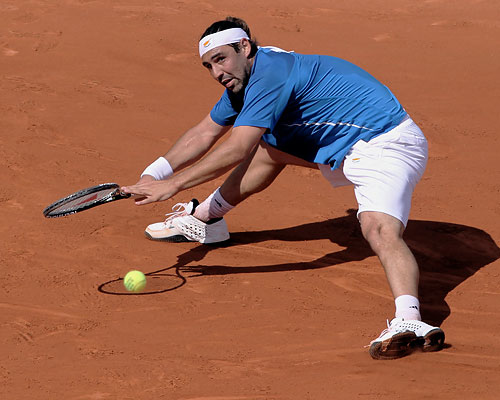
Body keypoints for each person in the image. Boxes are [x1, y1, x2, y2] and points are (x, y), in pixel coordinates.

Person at [122, 16, 445, 360]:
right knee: (271, 148)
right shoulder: (244, 80)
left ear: (244, 47)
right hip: (345, 144)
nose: (216, 73)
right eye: (208, 66)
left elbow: (237, 148)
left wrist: (173, 185)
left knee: (378, 229)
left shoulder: (270, 75)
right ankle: (207, 219)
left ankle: (410, 320)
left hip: (386, 143)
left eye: (220, 59)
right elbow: (204, 132)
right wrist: (153, 175)